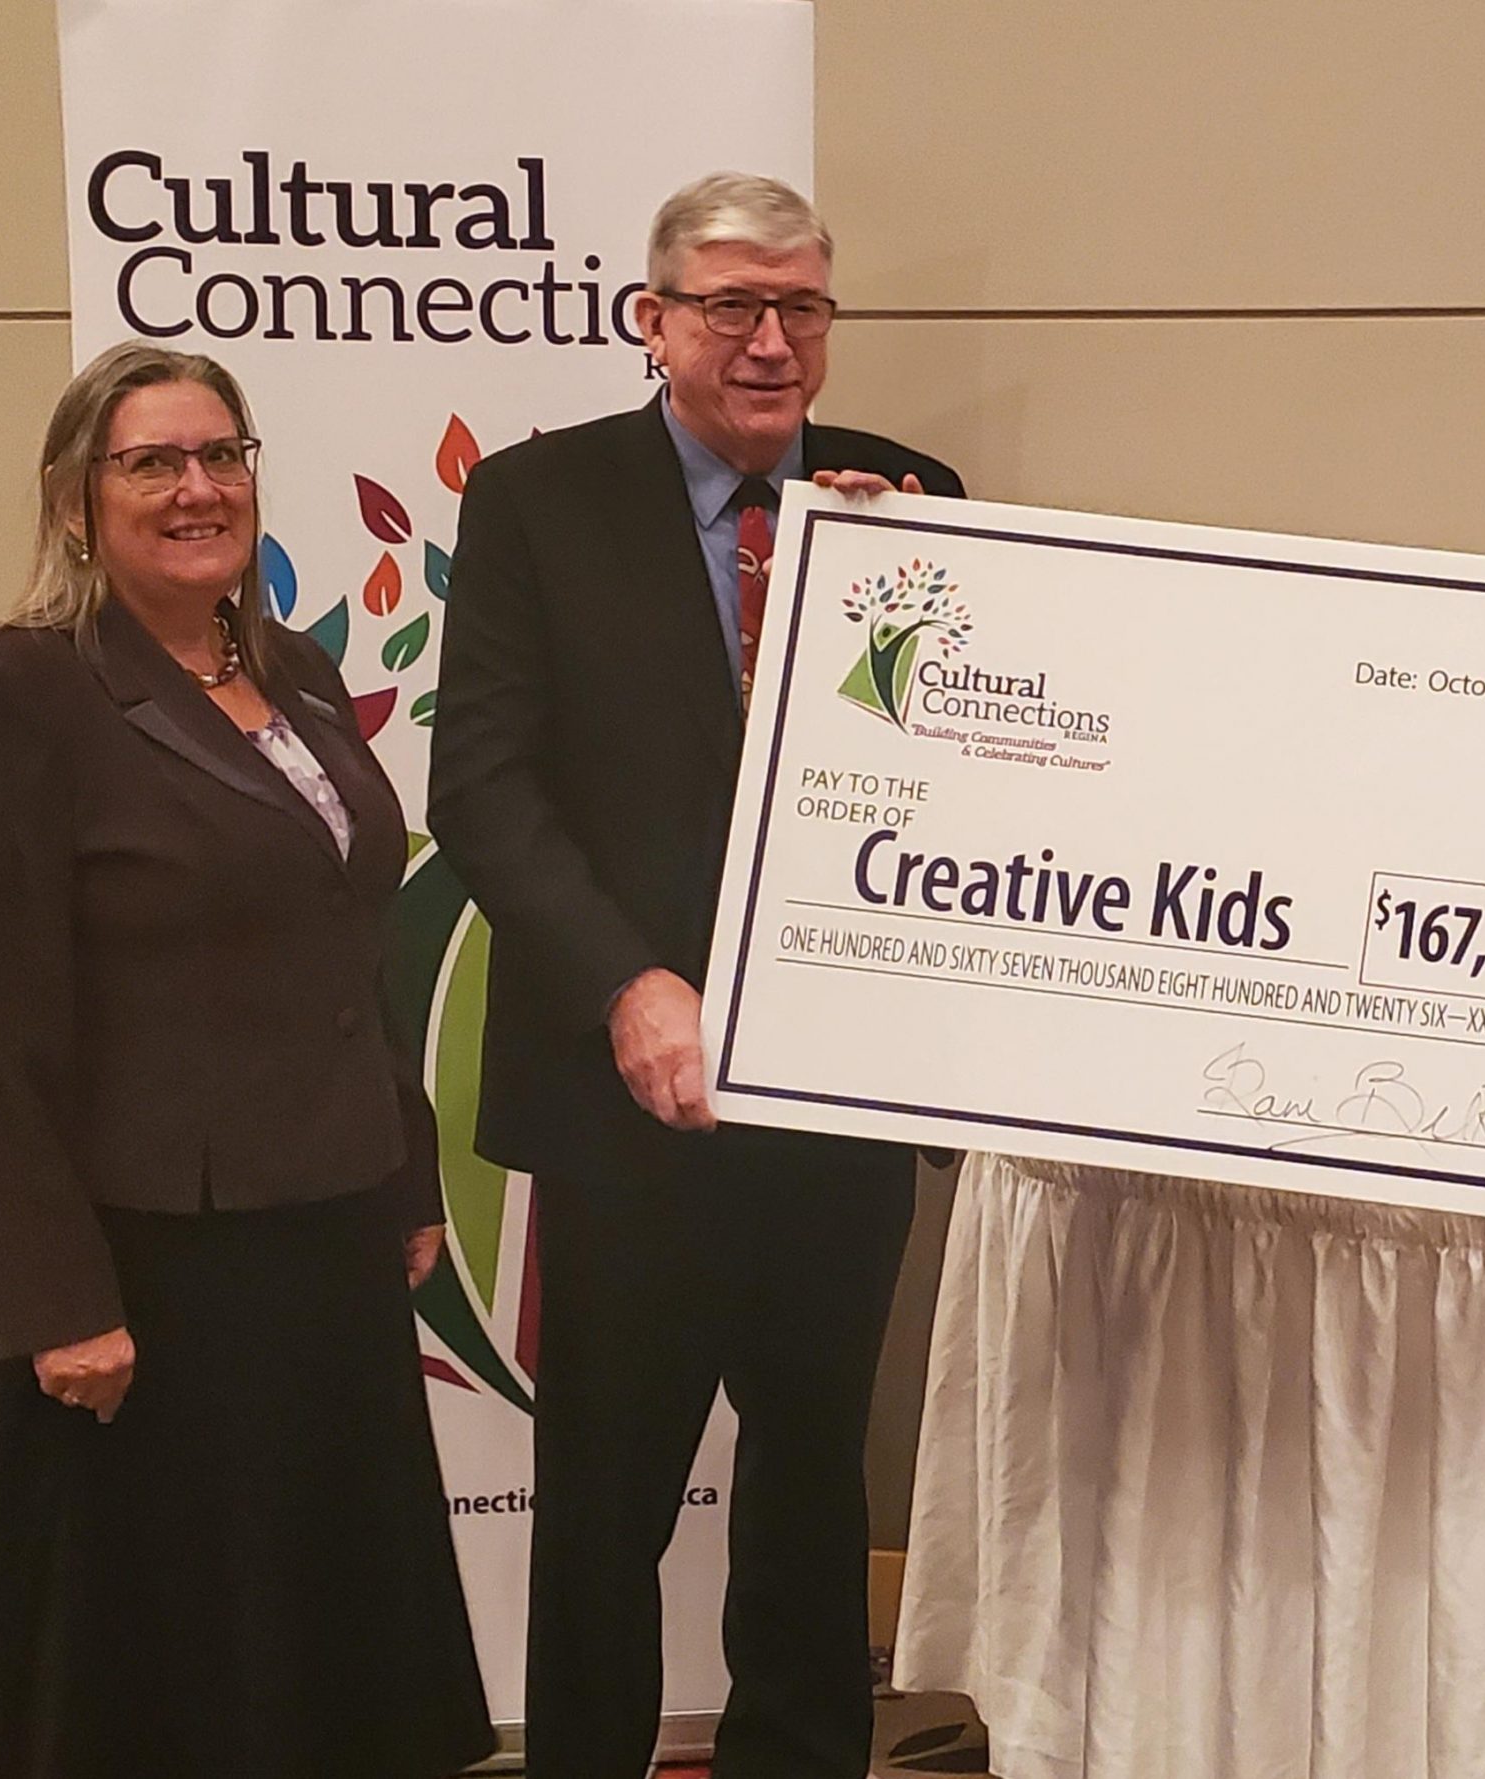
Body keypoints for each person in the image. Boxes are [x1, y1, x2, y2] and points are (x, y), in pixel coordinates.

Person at [429, 172, 962, 1779]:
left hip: (840, 1093)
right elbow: (487, 792)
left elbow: (968, 770)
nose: (770, 340)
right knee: (608, 1494)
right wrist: (628, 987)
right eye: (731, 305)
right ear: (651, 323)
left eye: (801, 305)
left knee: (813, 1483)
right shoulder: (538, 502)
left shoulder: (911, 493)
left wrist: (933, 594)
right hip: (627, 1097)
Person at [0, 341, 493, 1778]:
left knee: (299, 1667)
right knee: (139, 1687)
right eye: (153, 461)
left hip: (308, 1251)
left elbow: (342, 950)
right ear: (74, 498)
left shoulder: (285, 671)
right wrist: (56, 1304)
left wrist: (404, 1177)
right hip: (124, 1277)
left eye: (222, 456)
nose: (198, 489)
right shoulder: (2, 695)